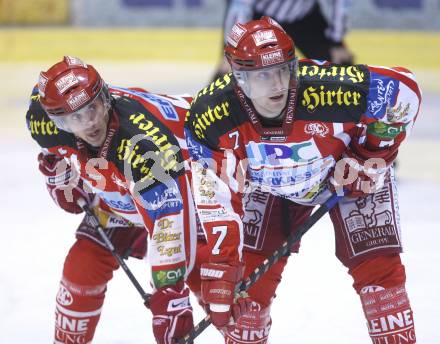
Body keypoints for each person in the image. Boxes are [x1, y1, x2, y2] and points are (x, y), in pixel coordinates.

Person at [184, 17, 421, 343]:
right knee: (248, 296)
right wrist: (222, 268)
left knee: (381, 281)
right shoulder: (210, 116)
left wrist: (368, 156)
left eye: (283, 70)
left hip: (346, 175)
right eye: (262, 75)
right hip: (269, 185)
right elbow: (219, 194)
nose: (277, 84)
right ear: (238, 77)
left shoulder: (330, 89)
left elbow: (403, 91)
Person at [26, 56, 196, 344]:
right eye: (74, 118)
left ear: (105, 98)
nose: (90, 122)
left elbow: (169, 220)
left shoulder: (143, 144)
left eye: (93, 108)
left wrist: (170, 293)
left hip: (190, 189)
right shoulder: (43, 121)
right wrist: (60, 171)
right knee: (82, 267)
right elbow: (54, 150)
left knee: (214, 285)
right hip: (123, 195)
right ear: (57, 121)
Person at [212, 0, 354, 81]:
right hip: (261, 15)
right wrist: (231, 48)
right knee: (230, 72)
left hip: (305, 17)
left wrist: (336, 42)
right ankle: (210, 116)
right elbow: (240, 6)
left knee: (341, 71)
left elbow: (340, 3)